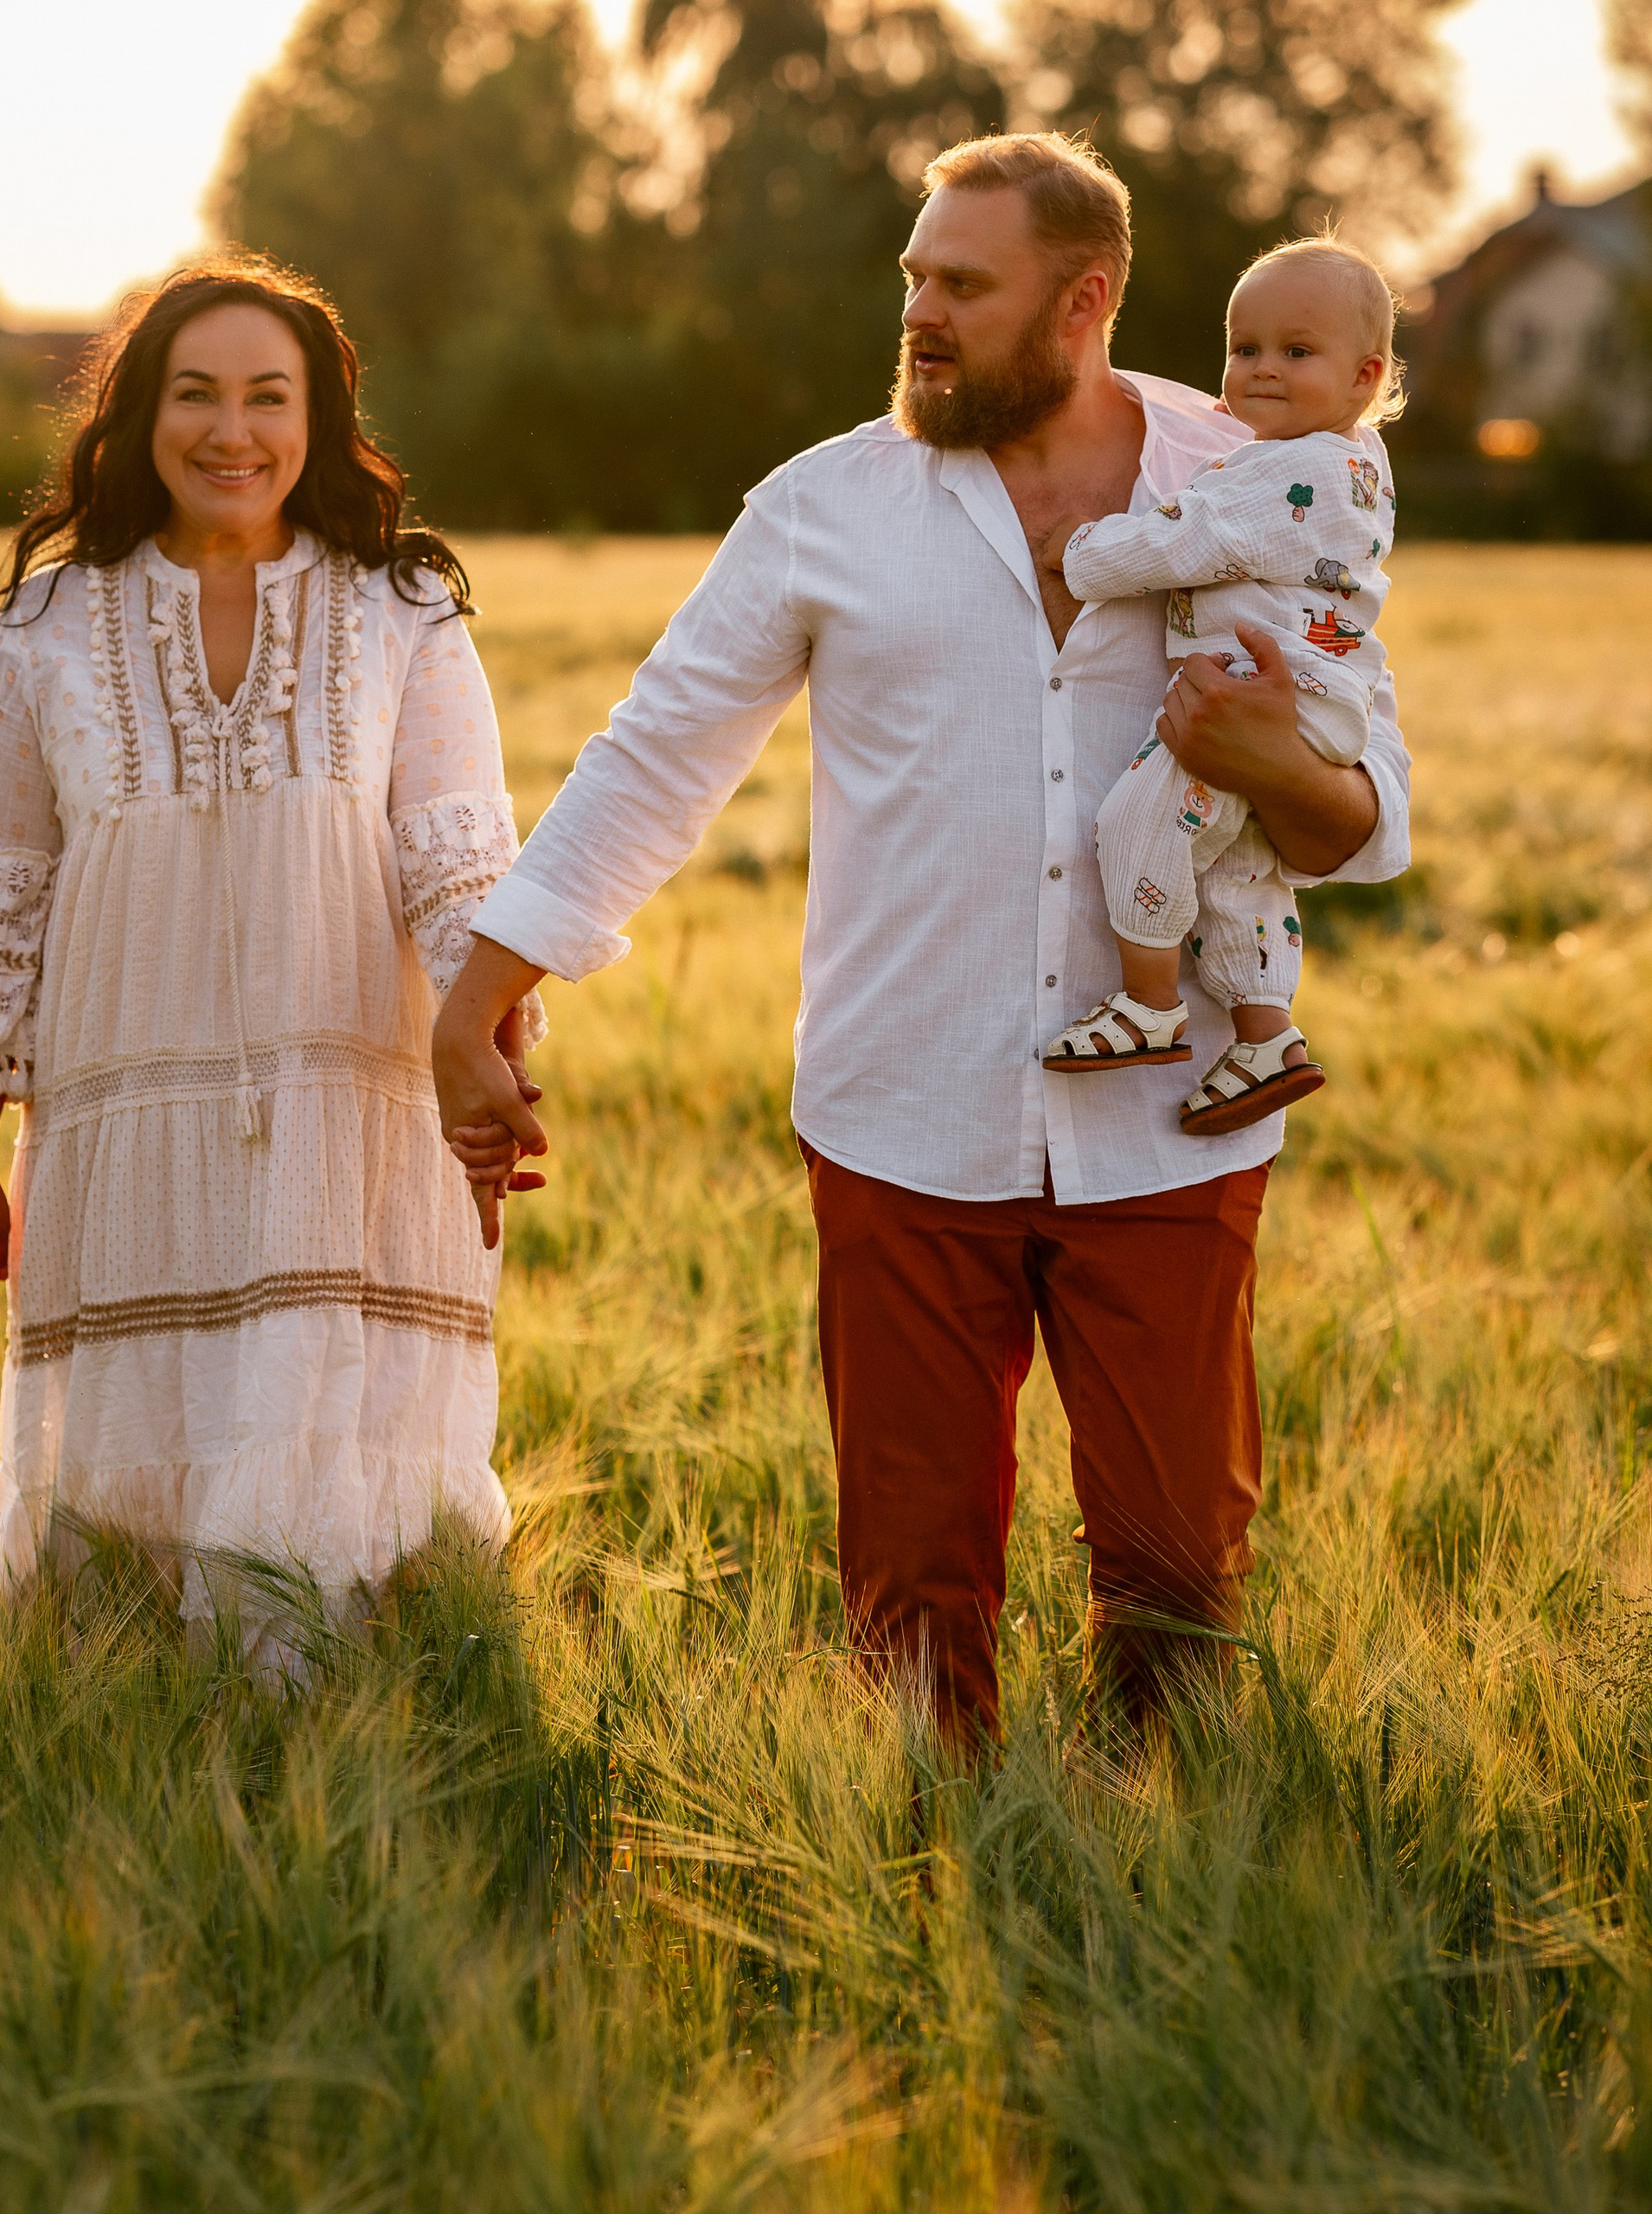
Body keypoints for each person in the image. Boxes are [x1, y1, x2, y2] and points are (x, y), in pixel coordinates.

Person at [430, 134, 1409, 1746]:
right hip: (899, 1126)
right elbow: (657, 753)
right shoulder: (826, 507)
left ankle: (1150, 1915)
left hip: (1168, 1136)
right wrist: (484, 993)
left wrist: (1273, 765)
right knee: (908, 1594)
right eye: (913, 280)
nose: (921, 314)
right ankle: (932, 1885)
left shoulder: (1253, 475)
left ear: (1082, 299)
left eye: (963, 284)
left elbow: (1367, 812)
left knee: (1178, 1577)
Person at [0, 254, 539, 1664]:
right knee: (134, 1448)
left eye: (268, 397)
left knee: (311, 1402)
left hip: (344, 1099)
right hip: (118, 1099)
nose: (233, 431)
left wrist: (487, 1071)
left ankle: (307, 1700)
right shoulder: (47, 633)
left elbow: (460, 868)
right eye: (197, 394)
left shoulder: (402, 611)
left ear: (321, 419)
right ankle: (134, 1702)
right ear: (134, 418)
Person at [1038, 235, 1401, 1136]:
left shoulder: (1293, 472)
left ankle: (1148, 1003)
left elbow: (1184, 540)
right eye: (1244, 348)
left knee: (1138, 822)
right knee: (1238, 869)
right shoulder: (1356, 464)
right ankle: (1264, 1035)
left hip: (1247, 696)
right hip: (1317, 704)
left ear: (1366, 375)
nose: (1262, 369)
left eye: (1296, 351)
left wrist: (1078, 552)